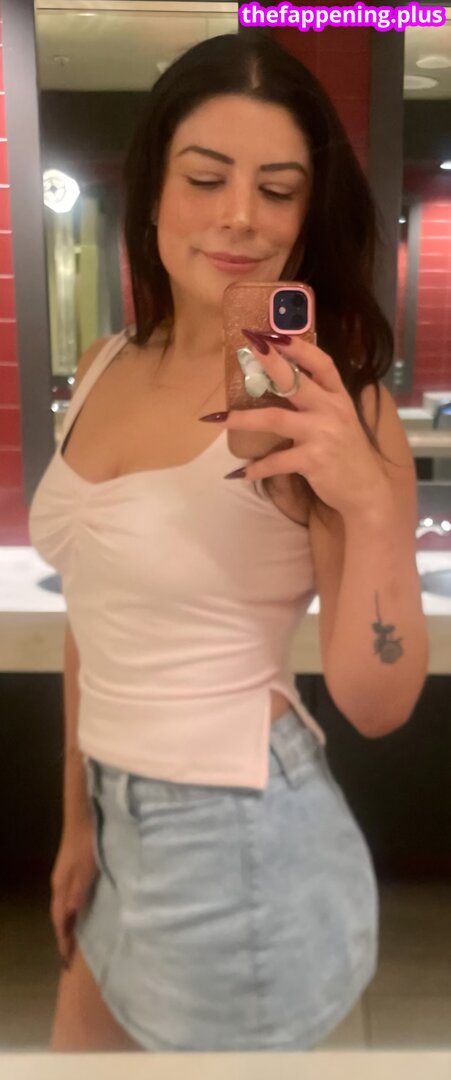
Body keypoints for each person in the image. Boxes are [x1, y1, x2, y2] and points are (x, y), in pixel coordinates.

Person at [28, 30, 428, 1054]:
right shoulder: (105, 362)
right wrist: (78, 822)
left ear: (306, 214)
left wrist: (370, 502)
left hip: (235, 839)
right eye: (206, 178)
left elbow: (377, 703)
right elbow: (91, 618)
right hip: (115, 816)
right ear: (153, 191)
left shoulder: (335, 405)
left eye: (277, 189)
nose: (240, 214)